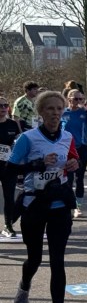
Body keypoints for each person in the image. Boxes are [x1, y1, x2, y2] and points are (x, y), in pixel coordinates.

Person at [8, 90, 80, 303]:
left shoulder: (67, 136)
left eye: (59, 109)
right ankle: (25, 283)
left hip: (59, 205)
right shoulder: (27, 138)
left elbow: (73, 161)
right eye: (50, 108)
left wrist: (73, 164)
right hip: (34, 205)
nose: (55, 113)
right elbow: (9, 170)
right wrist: (36, 164)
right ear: (40, 111)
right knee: (35, 259)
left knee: (57, 260)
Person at [60, 88, 87, 218]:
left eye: (81, 99)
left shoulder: (84, 112)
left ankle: (78, 207)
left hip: (81, 148)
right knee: (68, 178)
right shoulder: (63, 112)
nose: (78, 101)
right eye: (76, 99)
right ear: (69, 99)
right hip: (66, 148)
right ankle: (68, 205)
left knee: (79, 177)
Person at [0, 96, 24, 237]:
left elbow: (19, 143)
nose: (3, 108)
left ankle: (8, 225)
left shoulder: (13, 124)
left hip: (8, 166)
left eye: (5, 105)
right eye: (0, 106)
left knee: (9, 197)